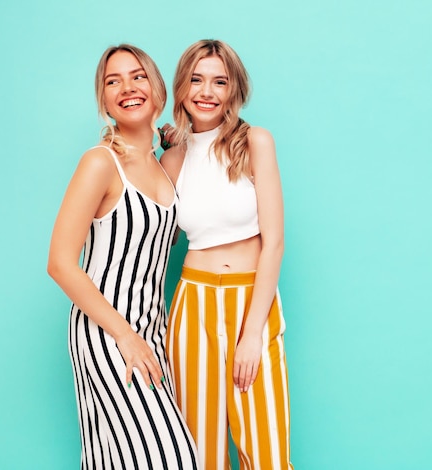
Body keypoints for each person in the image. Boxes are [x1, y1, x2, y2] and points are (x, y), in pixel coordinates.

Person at [47, 44, 198, 469]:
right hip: (107, 332)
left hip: (153, 333)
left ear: (158, 88)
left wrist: (176, 140)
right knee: (173, 457)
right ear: (103, 100)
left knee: (119, 460)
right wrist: (126, 336)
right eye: (112, 81)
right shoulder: (100, 163)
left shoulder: (164, 167)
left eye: (137, 76)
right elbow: (59, 262)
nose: (127, 87)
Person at [160, 39, 294, 469]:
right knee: (201, 454)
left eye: (220, 81)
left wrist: (253, 332)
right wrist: (157, 144)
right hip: (192, 307)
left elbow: (273, 242)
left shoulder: (255, 142)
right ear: (181, 87)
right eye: (196, 79)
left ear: (234, 90)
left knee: (268, 454)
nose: (207, 91)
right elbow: (158, 236)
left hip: (250, 304)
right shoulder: (173, 159)